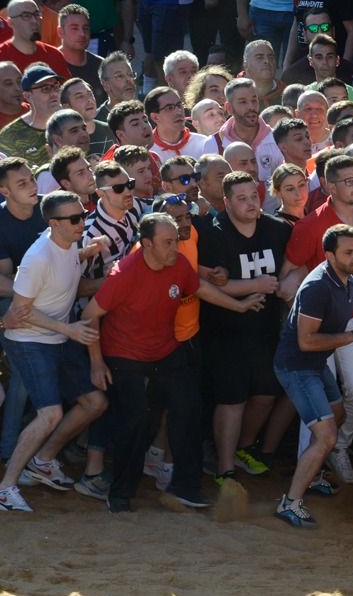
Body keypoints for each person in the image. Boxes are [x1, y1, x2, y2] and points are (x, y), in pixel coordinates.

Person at [82, 211, 267, 511]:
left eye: (175, 240)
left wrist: (240, 306)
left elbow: (200, 288)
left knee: (190, 408)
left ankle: (185, 487)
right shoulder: (125, 273)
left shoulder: (177, 262)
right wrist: (96, 362)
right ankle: (120, 492)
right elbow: (89, 317)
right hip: (126, 356)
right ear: (146, 244)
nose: (175, 247)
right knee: (137, 420)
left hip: (166, 351)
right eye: (167, 242)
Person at [271, 223, 353, 527]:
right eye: (349, 252)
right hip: (298, 367)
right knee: (326, 435)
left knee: (337, 414)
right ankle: (290, 503)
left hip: (313, 365)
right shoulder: (318, 287)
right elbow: (306, 341)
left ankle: (313, 476)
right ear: (330, 255)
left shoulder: (346, 276)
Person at [0, 190, 109, 514]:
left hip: (57, 337)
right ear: (53, 224)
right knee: (51, 413)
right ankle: (6, 487)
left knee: (95, 402)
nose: (82, 223)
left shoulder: (68, 243)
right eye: (75, 219)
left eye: (83, 216)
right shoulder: (37, 258)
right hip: (30, 342)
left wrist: (87, 252)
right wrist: (70, 330)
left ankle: (44, 460)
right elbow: (21, 312)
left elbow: (67, 268)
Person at [198, 170, 294, 483]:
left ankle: (242, 447)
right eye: (242, 199)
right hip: (224, 331)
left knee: (265, 394)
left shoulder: (278, 229)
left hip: (265, 329)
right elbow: (202, 284)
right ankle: (224, 469)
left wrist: (286, 283)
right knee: (232, 399)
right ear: (226, 202)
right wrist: (256, 284)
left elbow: (299, 264)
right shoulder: (213, 233)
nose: (251, 203)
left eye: (254, 196)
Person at [0, 64, 62, 169]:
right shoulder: (10, 135)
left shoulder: (72, 122)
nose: (54, 93)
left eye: (56, 87)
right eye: (46, 88)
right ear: (28, 96)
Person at [0, 0, 70, 78]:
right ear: (11, 23)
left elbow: (67, 89)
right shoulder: (2, 56)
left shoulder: (54, 55)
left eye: (37, 15)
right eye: (26, 16)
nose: (34, 21)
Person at [55, 4, 103, 98]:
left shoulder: (102, 66)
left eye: (85, 28)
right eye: (74, 28)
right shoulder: (50, 65)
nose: (82, 34)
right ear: (60, 32)